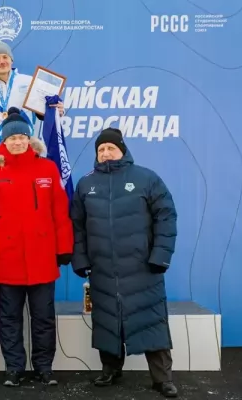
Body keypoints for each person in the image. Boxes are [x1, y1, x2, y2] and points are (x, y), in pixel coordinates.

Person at [70, 127, 179, 398]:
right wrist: (80, 259)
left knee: (152, 321)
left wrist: (161, 256)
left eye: (111, 148)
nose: (106, 153)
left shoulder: (146, 178)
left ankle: (162, 379)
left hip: (143, 269)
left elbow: (166, 216)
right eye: (101, 149)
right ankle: (110, 370)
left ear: (123, 150)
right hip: (103, 270)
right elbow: (77, 226)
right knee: (107, 322)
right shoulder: (86, 184)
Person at [0, 107, 74, 387]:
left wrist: (64, 247)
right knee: (9, 318)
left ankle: (44, 367)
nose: (17, 142)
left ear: (29, 139)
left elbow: (60, 212)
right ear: (4, 141)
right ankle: (14, 368)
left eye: (21, 137)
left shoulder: (47, 168)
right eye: (12, 138)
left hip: (42, 257)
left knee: (43, 318)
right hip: (7, 259)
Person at [0, 40, 64, 148]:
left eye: (5, 57)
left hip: (25, 145)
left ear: (11, 60)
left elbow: (43, 110)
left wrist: (55, 110)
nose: (2, 61)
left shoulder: (29, 81)